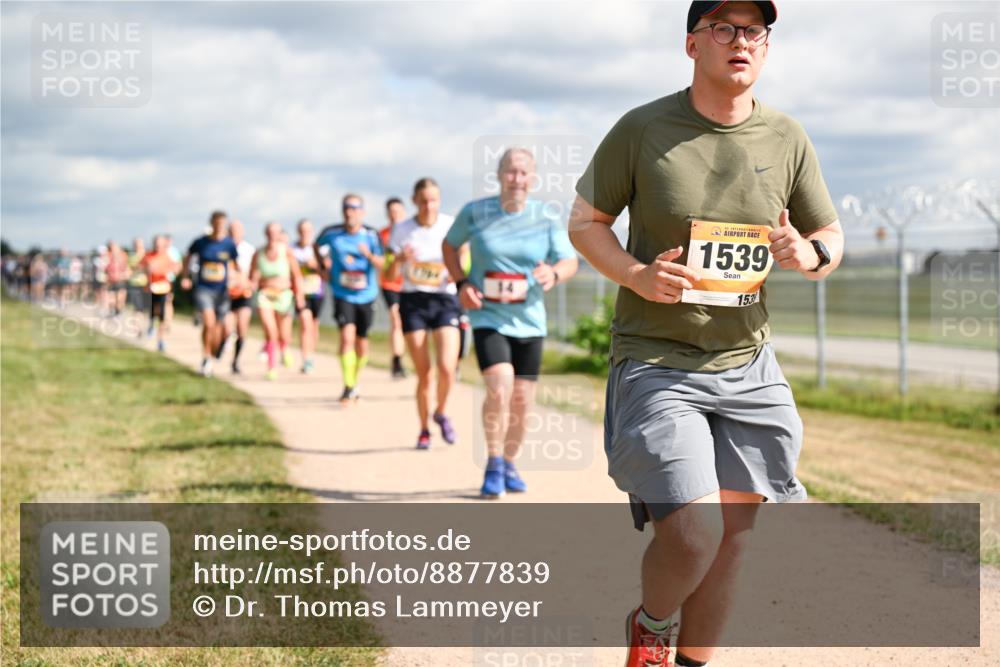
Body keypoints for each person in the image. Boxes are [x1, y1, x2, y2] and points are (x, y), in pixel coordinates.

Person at [566, 3, 845, 665]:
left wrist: (807, 255)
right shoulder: (642, 128)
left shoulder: (787, 137)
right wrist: (637, 274)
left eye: (754, 31)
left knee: (736, 536)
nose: (740, 42)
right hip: (658, 360)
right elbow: (585, 222)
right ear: (692, 44)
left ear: (766, 47)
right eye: (724, 28)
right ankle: (651, 626)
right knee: (695, 531)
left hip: (748, 363)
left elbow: (829, 235)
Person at [443, 148, 578, 495]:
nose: (516, 179)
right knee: (499, 385)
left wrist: (554, 273)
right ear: (499, 174)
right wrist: (461, 283)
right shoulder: (476, 212)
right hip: (488, 316)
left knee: (522, 399)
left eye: (523, 173)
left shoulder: (545, 216)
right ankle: (492, 463)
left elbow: (568, 260)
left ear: (532, 179)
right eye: (510, 172)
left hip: (530, 321)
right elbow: (449, 245)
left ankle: (509, 461)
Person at [386, 178, 461, 450]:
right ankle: (424, 429)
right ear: (414, 201)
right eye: (424, 200)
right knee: (425, 373)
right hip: (413, 300)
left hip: (444, 300)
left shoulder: (451, 225)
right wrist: (400, 261)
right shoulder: (402, 230)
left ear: (439, 201)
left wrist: (457, 273)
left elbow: (464, 256)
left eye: (434, 199)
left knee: (447, 368)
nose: (429, 205)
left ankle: (440, 412)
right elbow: (390, 275)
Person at [316, 194, 385, 403]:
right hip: (342, 293)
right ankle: (348, 385)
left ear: (362, 212)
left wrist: (369, 256)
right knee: (346, 337)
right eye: (346, 207)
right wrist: (323, 267)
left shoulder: (372, 235)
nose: (350, 211)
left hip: (367, 295)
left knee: (362, 341)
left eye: (355, 208)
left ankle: (356, 380)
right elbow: (316, 246)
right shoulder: (331, 233)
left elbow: (383, 263)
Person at [181, 210, 240, 377]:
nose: (220, 227)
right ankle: (206, 358)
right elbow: (188, 256)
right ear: (212, 224)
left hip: (222, 291)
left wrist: (237, 279)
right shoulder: (201, 242)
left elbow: (235, 266)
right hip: (204, 288)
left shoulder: (229, 244)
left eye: (223, 224)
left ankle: (213, 351)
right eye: (217, 224)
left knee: (218, 328)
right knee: (209, 323)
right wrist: (185, 276)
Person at [250, 222, 306, 380]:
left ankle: (285, 348)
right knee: (270, 331)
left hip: (284, 295)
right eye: (269, 232)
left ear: (279, 234)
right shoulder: (259, 253)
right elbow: (253, 275)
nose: (272, 235)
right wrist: (252, 284)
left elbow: (296, 275)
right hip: (265, 295)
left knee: (284, 334)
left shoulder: (286, 251)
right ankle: (271, 367)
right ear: (265, 233)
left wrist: (300, 295)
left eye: (275, 232)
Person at [291, 218, 326, 374]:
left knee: (313, 326)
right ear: (298, 232)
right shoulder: (291, 249)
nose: (305, 233)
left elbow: (327, 273)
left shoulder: (319, 249)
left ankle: (311, 354)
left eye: (308, 230)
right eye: (302, 230)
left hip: (317, 292)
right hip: (300, 292)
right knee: (305, 323)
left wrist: (317, 266)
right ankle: (306, 359)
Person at [380, 197, 408, 378]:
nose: (394, 215)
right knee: (396, 319)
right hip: (389, 283)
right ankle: (397, 359)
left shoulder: (411, 232)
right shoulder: (382, 235)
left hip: (409, 284)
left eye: (398, 211)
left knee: (406, 324)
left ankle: (402, 356)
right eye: (391, 212)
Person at [140, 234, 181, 352]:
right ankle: (151, 325)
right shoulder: (148, 256)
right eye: (156, 245)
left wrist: (171, 271)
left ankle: (161, 340)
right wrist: (147, 271)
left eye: (160, 245)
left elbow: (177, 267)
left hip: (163, 288)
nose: (158, 247)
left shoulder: (166, 256)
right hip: (151, 288)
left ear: (164, 245)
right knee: (153, 311)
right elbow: (141, 267)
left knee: (162, 314)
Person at [227, 219, 256, 374]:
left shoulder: (249, 250)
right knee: (227, 328)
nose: (234, 233)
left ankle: (235, 361)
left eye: (237, 230)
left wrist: (251, 282)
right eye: (231, 230)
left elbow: (255, 271)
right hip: (226, 295)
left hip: (244, 294)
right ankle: (218, 349)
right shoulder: (223, 248)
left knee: (242, 328)